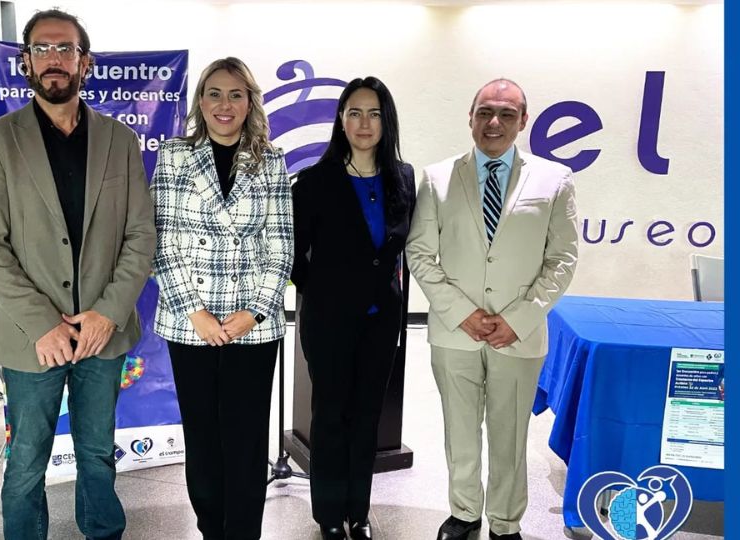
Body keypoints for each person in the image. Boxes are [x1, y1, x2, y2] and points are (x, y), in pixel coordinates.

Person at [0, 8, 156, 540]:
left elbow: (141, 235)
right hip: (33, 337)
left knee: (97, 453)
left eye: (65, 48)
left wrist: (108, 314)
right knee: (27, 459)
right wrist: (43, 323)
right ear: (26, 63)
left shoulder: (119, 140)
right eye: (42, 49)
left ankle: (103, 532)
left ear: (84, 62)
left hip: (103, 331)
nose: (54, 59)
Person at [405, 79, 579, 540]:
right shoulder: (438, 178)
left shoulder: (554, 180)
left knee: (509, 435)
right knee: (460, 431)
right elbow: (419, 252)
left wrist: (517, 319)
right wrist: (462, 312)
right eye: (485, 112)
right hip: (454, 331)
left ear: (523, 121)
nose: (494, 122)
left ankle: (505, 522)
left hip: (519, 335)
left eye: (506, 113)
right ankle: (464, 513)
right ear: (470, 117)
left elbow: (562, 259)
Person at [150, 57, 293, 540]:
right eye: (214, 93)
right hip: (190, 322)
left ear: (250, 102)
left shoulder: (271, 160)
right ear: (201, 101)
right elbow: (161, 241)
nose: (224, 104)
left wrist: (253, 312)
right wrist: (197, 314)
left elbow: (281, 245)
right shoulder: (174, 156)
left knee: (246, 441)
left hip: (252, 326)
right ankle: (211, 530)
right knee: (204, 439)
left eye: (235, 94)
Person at [291, 77, 416, 540]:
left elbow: (399, 248)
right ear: (341, 120)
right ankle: (329, 514)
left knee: (367, 418)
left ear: (387, 121)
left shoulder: (403, 177)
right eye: (355, 113)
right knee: (330, 416)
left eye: (375, 113)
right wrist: (324, 292)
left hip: (381, 321)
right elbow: (293, 255)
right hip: (328, 320)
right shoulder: (314, 181)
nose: (365, 123)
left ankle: (358, 513)